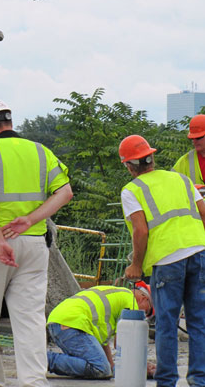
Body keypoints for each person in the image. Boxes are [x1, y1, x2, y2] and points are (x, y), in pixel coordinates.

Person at [0, 98, 73, 387]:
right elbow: (65, 193)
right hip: (34, 246)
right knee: (31, 319)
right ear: (8, 122)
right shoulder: (40, 151)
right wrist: (31, 219)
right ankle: (34, 381)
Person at [119, 134, 205, 387]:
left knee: (166, 323)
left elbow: (141, 230)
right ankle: (199, 380)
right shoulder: (181, 178)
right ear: (151, 157)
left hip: (168, 261)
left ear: (128, 165)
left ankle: (166, 381)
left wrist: (136, 264)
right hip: (199, 253)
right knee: (198, 321)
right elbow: (203, 212)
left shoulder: (132, 190)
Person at [46, 284, 153, 380]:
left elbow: (107, 360)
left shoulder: (117, 296)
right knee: (100, 368)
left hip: (60, 322)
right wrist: (140, 367)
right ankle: (43, 359)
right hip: (73, 323)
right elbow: (122, 344)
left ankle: (42, 359)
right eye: (147, 312)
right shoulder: (131, 302)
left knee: (103, 368)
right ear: (144, 298)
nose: (144, 316)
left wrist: (113, 369)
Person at [173, 114, 205, 186]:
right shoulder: (184, 161)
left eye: (198, 138)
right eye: (192, 138)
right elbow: (171, 185)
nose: (194, 141)